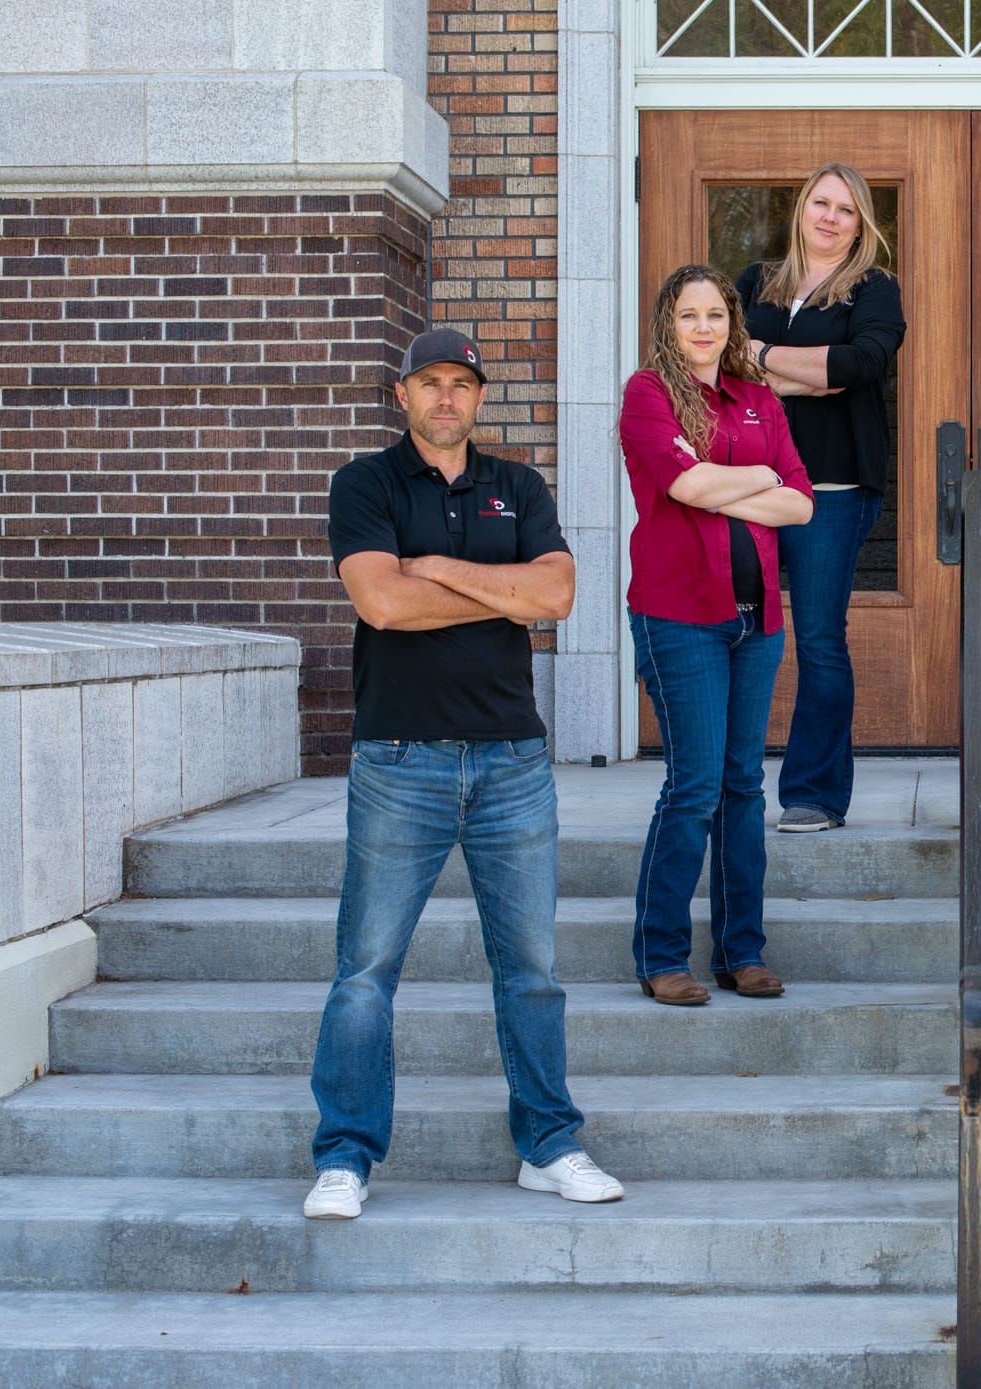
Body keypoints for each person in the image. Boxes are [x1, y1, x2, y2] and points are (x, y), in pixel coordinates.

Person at [305, 328, 621, 1220]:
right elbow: (379, 602)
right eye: (431, 383)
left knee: (532, 969)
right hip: (399, 757)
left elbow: (555, 597)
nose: (447, 398)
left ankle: (549, 1144)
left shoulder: (518, 485)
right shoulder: (363, 484)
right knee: (365, 968)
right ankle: (345, 1155)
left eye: (462, 384)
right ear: (402, 394)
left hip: (513, 760)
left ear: (480, 398)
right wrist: (498, 585)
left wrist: (439, 567)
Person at [619, 265, 815, 1006]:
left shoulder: (759, 398)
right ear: (667, 324)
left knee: (742, 785)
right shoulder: (649, 395)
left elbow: (800, 506)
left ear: (732, 324)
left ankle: (742, 951)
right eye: (687, 315)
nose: (703, 328)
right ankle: (663, 952)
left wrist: (732, 480)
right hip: (679, 619)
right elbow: (686, 487)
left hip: (755, 620)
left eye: (715, 314)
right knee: (694, 784)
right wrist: (759, 473)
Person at [738, 163, 906, 833]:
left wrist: (764, 359)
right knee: (734, 631)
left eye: (847, 210)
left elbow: (859, 365)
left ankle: (814, 793)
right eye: (822, 203)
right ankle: (726, 775)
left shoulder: (873, 289)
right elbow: (723, 360)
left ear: (861, 225)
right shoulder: (756, 282)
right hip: (749, 484)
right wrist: (810, 374)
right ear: (801, 208)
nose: (832, 217)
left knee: (818, 639)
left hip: (830, 490)